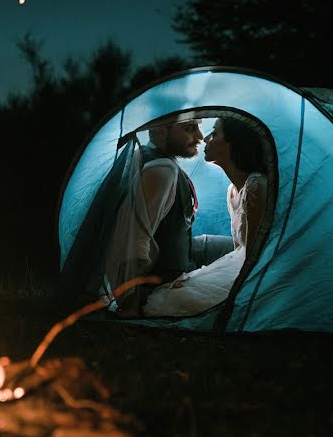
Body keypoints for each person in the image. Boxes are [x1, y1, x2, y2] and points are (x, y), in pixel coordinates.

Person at [104, 115, 234, 315]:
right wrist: (129, 302)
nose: (200, 136)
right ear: (160, 131)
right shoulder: (161, 171)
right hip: (167, 279)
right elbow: (133, 243)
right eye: (189, 129)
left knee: (240, 250)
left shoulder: (152, 157)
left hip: (182, 251)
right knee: (244, 265)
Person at [142, 115, 269, 317]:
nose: (205, 138)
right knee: (180, 289)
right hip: (239, 260)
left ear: (233, 144)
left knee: (176, 299)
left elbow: (255, 258)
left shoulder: (256, 185)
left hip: (256, 269)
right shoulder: (232, 191)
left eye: (215, 133)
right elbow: (238, 250)